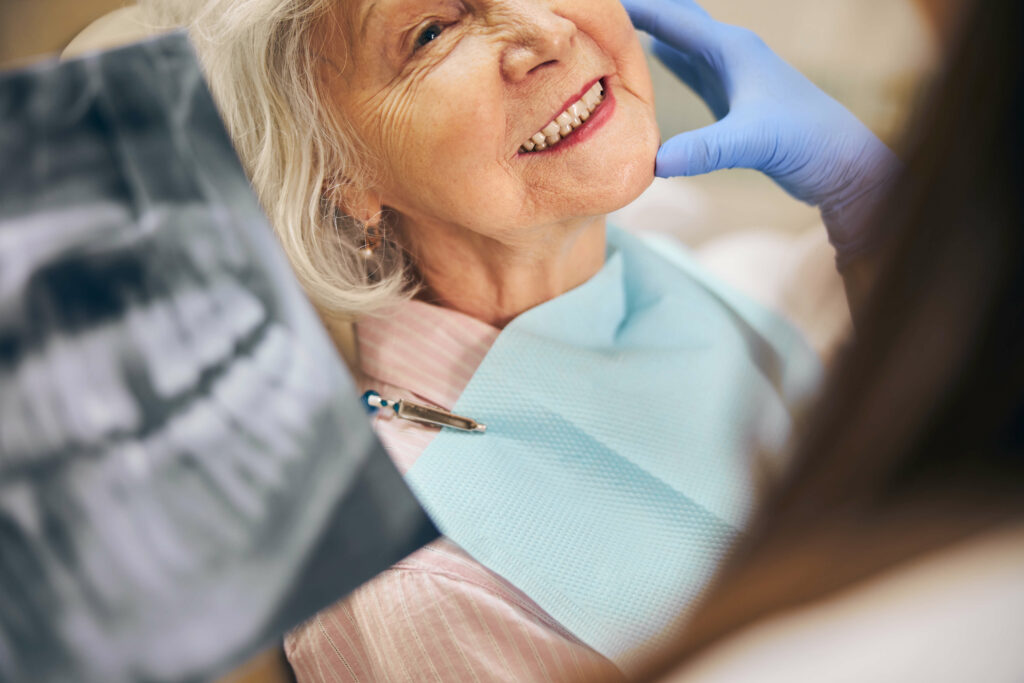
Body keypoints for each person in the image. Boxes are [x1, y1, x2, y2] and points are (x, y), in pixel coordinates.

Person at [138, 0, 903, 680]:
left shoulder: (668, 255)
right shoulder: (420, 584)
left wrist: (885, 223)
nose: (542, 32)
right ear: (341, 169)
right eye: (431, 32)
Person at [590, 0, 1021, 679]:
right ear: (358, 185)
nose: (541, 37)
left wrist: (876, 209)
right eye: (433, 33)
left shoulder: (752, 281)